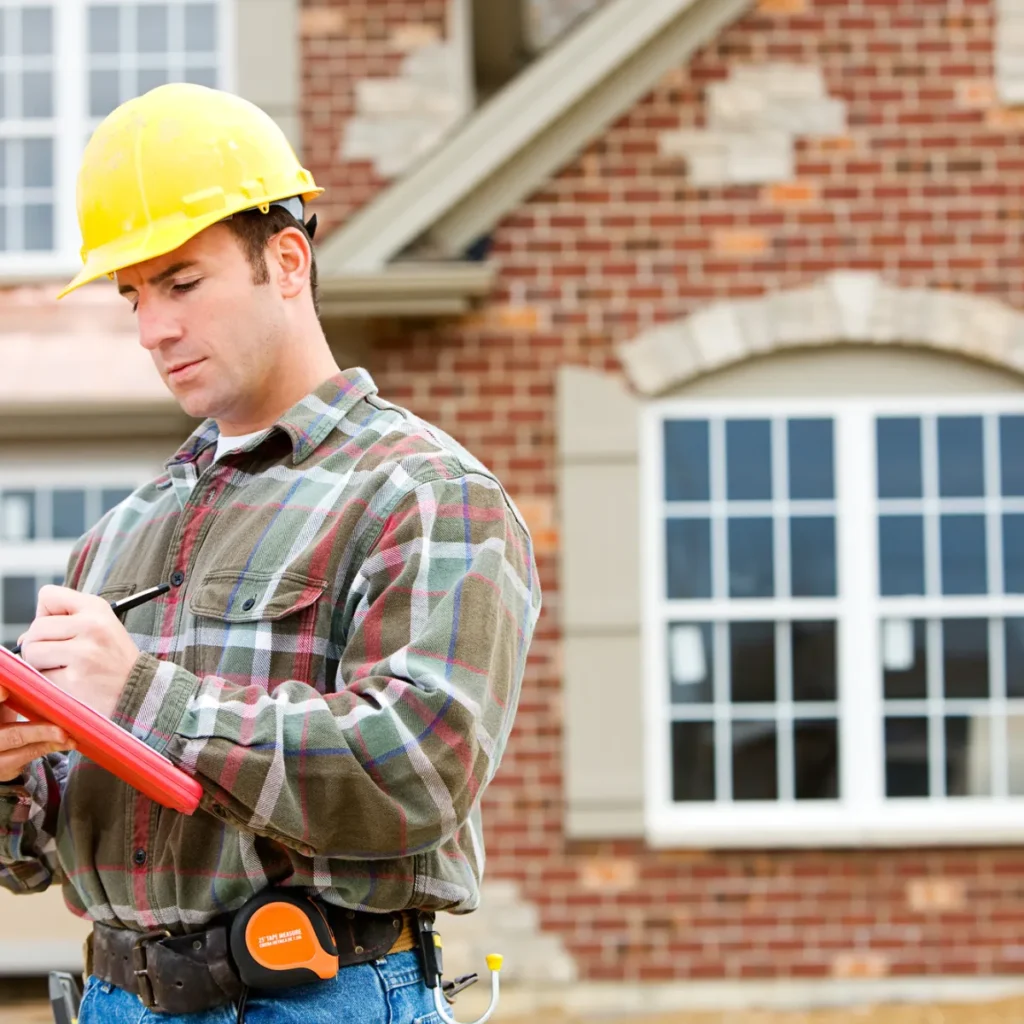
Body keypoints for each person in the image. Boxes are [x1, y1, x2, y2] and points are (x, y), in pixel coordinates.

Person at [0, 83, 541, 1024]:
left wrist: (141, 694)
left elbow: (417, 771)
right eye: (133, 295)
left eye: (182, 282)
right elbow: (42, 844)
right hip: (112, 999)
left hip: (318, 994)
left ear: (286, 260)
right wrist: (12, 777)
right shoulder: (117, 535)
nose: (153, 329)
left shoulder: (424, 494)